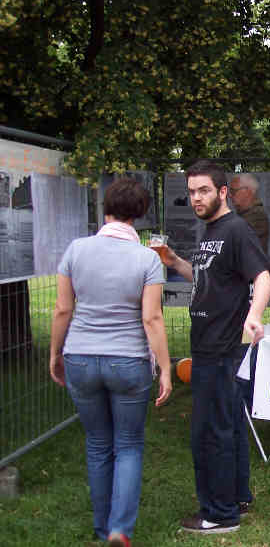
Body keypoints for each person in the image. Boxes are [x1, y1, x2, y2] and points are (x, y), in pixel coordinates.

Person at [49, 177, 172, 547]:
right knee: (130, 444)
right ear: (140, 215)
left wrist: (55, 353)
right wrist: (166, 368)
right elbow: (151, 319)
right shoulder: (148, 258)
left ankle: (102, 528)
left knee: (98, 443)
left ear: (105, 209)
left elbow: (62, 309)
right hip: (129, 361)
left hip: (81, 358)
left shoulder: (76, 249)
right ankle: (120, 530)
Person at [162, 160, 270, 535]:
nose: (196, 197)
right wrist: (175, 261)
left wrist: (254, 314)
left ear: (222, 192)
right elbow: (208, 279)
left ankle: (220, 514)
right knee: (229, 425)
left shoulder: (236, 229)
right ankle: (237, 495)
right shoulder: (210, 230)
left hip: (223, 348)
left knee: (211, 432)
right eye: (192, 191)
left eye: (204, 190)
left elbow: (263, 277)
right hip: (211, 345)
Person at [229, 173, 269, 253]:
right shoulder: (245, 213)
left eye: (233, 191)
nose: (230, 195)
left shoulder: (257, 216)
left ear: (248, 192)